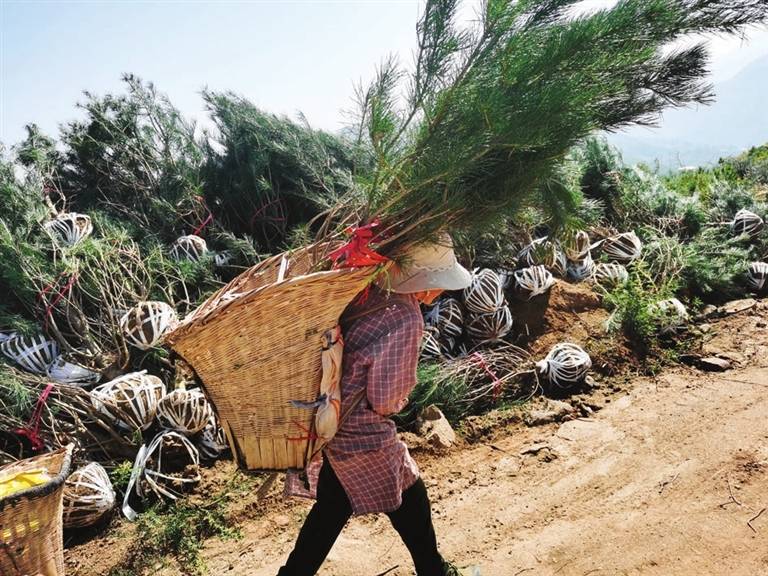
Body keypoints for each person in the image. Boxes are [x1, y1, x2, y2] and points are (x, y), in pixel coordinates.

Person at [278, 235, 472, 576]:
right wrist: (404, 397)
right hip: (359, 427)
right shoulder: (407, 319)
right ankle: (435, 570)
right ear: (426, 284)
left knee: (337, 505)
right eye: (440, 283)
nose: (441, 291)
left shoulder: (370, 292)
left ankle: (434, 568)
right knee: (406, 488)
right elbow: (384, 400)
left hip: (329, 413)